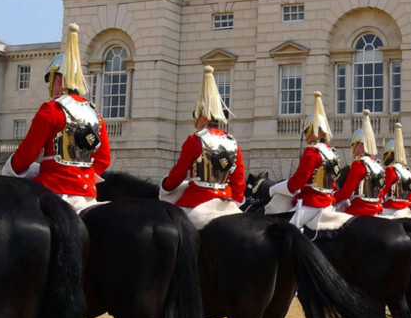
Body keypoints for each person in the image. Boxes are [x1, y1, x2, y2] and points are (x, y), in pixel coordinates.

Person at [6, 24, 111, 212]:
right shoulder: (95, 113)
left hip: (53, 191)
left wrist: (11, 168)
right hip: (87, 196)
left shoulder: (51, 109)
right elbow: (103, 159)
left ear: (58, 79)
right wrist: (81, 176)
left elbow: (28, 153)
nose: (51, 86)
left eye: (51, 80)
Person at [158, 65, 245, 226]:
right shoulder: (233, 142)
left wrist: (165, 187)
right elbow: (238, 181)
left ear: (199, 117)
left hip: (197, 200)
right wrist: (235, 201)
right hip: (226, 200)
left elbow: (178, 175)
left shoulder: (194, 140)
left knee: (170, 223)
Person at [265, 91, 348, 231]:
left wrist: (275, 188)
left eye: (306, 130)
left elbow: (298, 181)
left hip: (311, 204)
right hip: (329, 203)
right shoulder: (332, 153)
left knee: (289, 232)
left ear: (315, 130)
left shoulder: (312, 152)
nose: (305, 134)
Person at [334, 110, 384, 217]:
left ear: (360, 145)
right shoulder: (377, 165)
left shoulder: (359, 164)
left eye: (354, 145)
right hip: (376, 210)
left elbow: (346, 192)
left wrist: (332, 198)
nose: (353, 150)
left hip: (359, 210)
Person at [378, 123, 411, 217]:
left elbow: (383, 189)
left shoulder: (390, 170)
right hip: (406, 208)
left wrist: (376, 200)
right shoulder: (407, 171)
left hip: (391, 208)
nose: (384, 157)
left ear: (390, 155)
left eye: (385, 155)